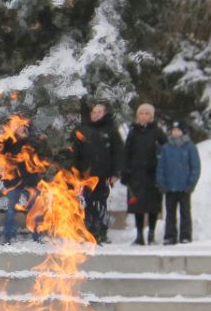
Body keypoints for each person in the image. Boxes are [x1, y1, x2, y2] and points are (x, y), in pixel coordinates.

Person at [70, 101, 123, 244]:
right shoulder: (84, 130)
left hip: (104, 175)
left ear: (105, 113)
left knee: (101, 202)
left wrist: (115, 173)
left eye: (99, 112)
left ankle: (102, 230)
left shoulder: (111, 131)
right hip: (87, 175)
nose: (96, 115)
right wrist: (76, 171)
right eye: (94, 112)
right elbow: (77, 153)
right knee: (88, 201)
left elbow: (118, 153)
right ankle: (90, 229)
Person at [122, 103, 164, 246]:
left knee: (153, 206)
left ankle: (151, 234)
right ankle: (139, 235)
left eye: (147, 114)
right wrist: (125, 172)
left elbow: (165, 150)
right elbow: (126, 153)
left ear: (152, 116)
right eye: (142, 113)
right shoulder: (133, 132)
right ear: (137, 116)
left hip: (153, 175)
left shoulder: (157, 132)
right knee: (137, 207)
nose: (144, 116)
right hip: (136, 176)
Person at [0, 121, 46, 244]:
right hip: (13, 182)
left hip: (31, 180)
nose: (21, 128)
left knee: (36, 208)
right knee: (11, 209)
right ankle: (8, 237)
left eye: (23, 126)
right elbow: (0, 150)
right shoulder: (9, 142)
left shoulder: (32, 141)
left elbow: (40, 152)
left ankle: (37, 236)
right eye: (19, 126)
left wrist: (38, 140)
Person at [156, 121, 200, 245]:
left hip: (184, 187)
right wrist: (162, 183)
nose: (175, 132)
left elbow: (195, 167)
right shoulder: (166, 148)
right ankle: (170, 236)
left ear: (183, 132)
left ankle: (186, 236)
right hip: (170, 187)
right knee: (170, 213)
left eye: (178, 130)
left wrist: (191, 183)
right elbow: (161, 167)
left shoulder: (190, 147)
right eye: (173, 130)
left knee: (185, 212)